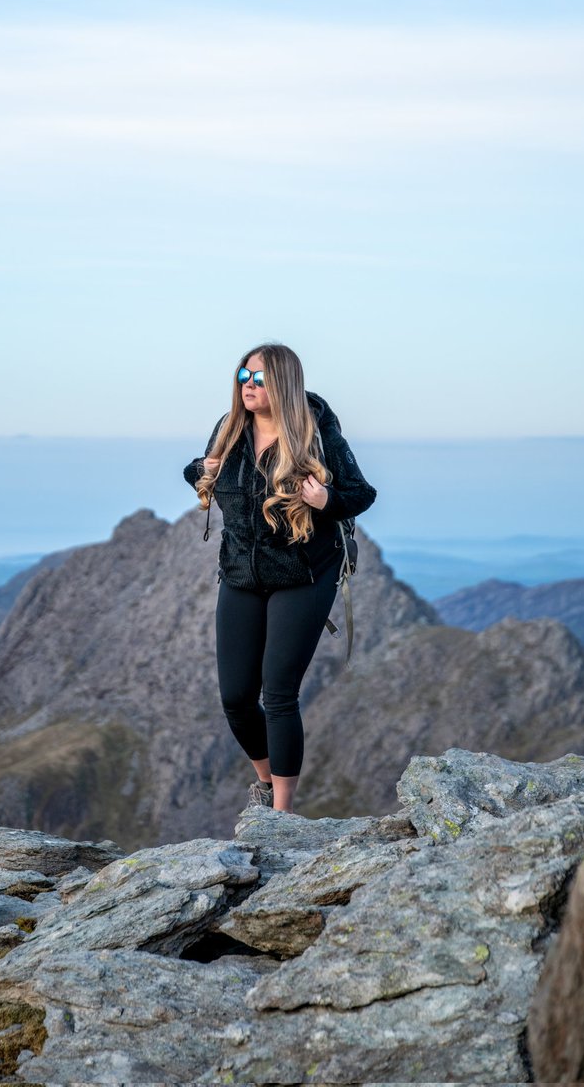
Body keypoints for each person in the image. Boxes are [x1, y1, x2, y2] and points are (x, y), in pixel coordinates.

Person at [182, 342, 377, 815]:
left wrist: (325, 500)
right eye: (243, 377)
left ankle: (282, 814)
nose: (248, 386)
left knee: (280, 693)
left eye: (259, 379)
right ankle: (266, 783)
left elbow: (360, 493)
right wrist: (198, 472)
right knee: (236, 698)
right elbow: (198, 471)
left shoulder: (315, 430)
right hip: (240, 575)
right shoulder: (229, 429)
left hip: (304, 575)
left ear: (283, 384)